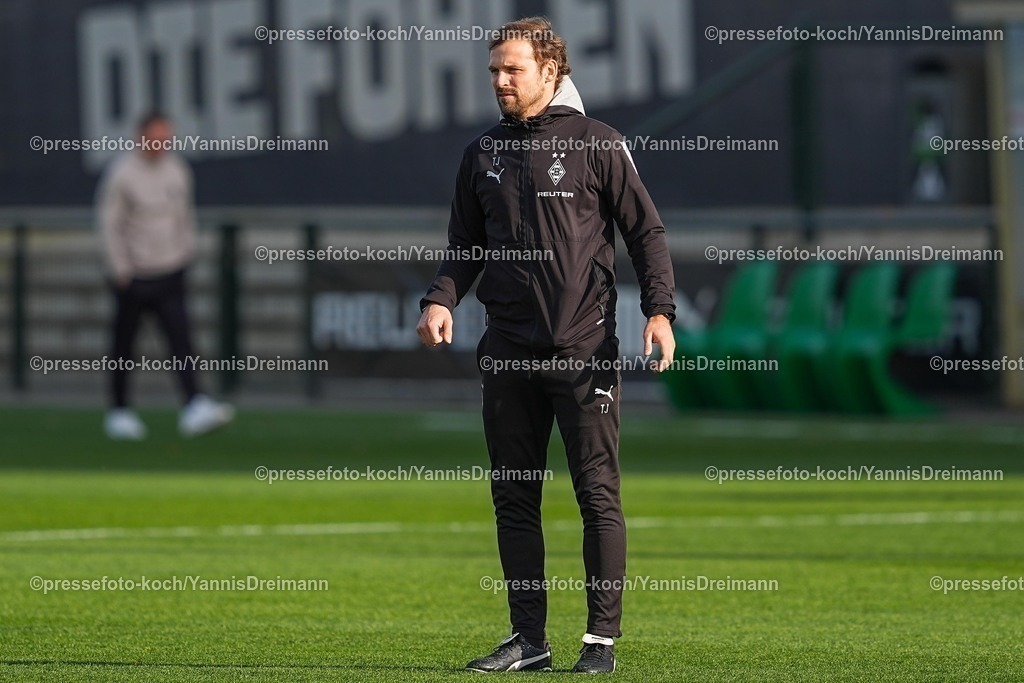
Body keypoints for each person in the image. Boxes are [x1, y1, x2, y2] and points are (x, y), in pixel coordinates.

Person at [416, 17, 676, 674]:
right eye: (494, 71)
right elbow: (464, 248)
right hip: (506, 353)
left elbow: (646, 234)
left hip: (583, 351)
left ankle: (600, 642)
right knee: (513, 495)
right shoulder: (482, 154)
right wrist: (441, 297)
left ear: (550, 71)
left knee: (596, 493)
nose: (500, 82)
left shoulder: (600, 146)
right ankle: (528, 640)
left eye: (513, 70)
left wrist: (659, 311)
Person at [97, 111, 234, 439]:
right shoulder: (123, 174)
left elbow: (184, 216)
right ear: (141, 136)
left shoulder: (177, 169)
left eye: (166, 137)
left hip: (170, 269)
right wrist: (120, 269)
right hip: (134, 275)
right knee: (125, 345)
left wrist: (186, 253)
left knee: (181, 339)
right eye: (155, 137)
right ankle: (120, 411)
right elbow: (109, 224)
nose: (161, 143)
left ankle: (194, 404)